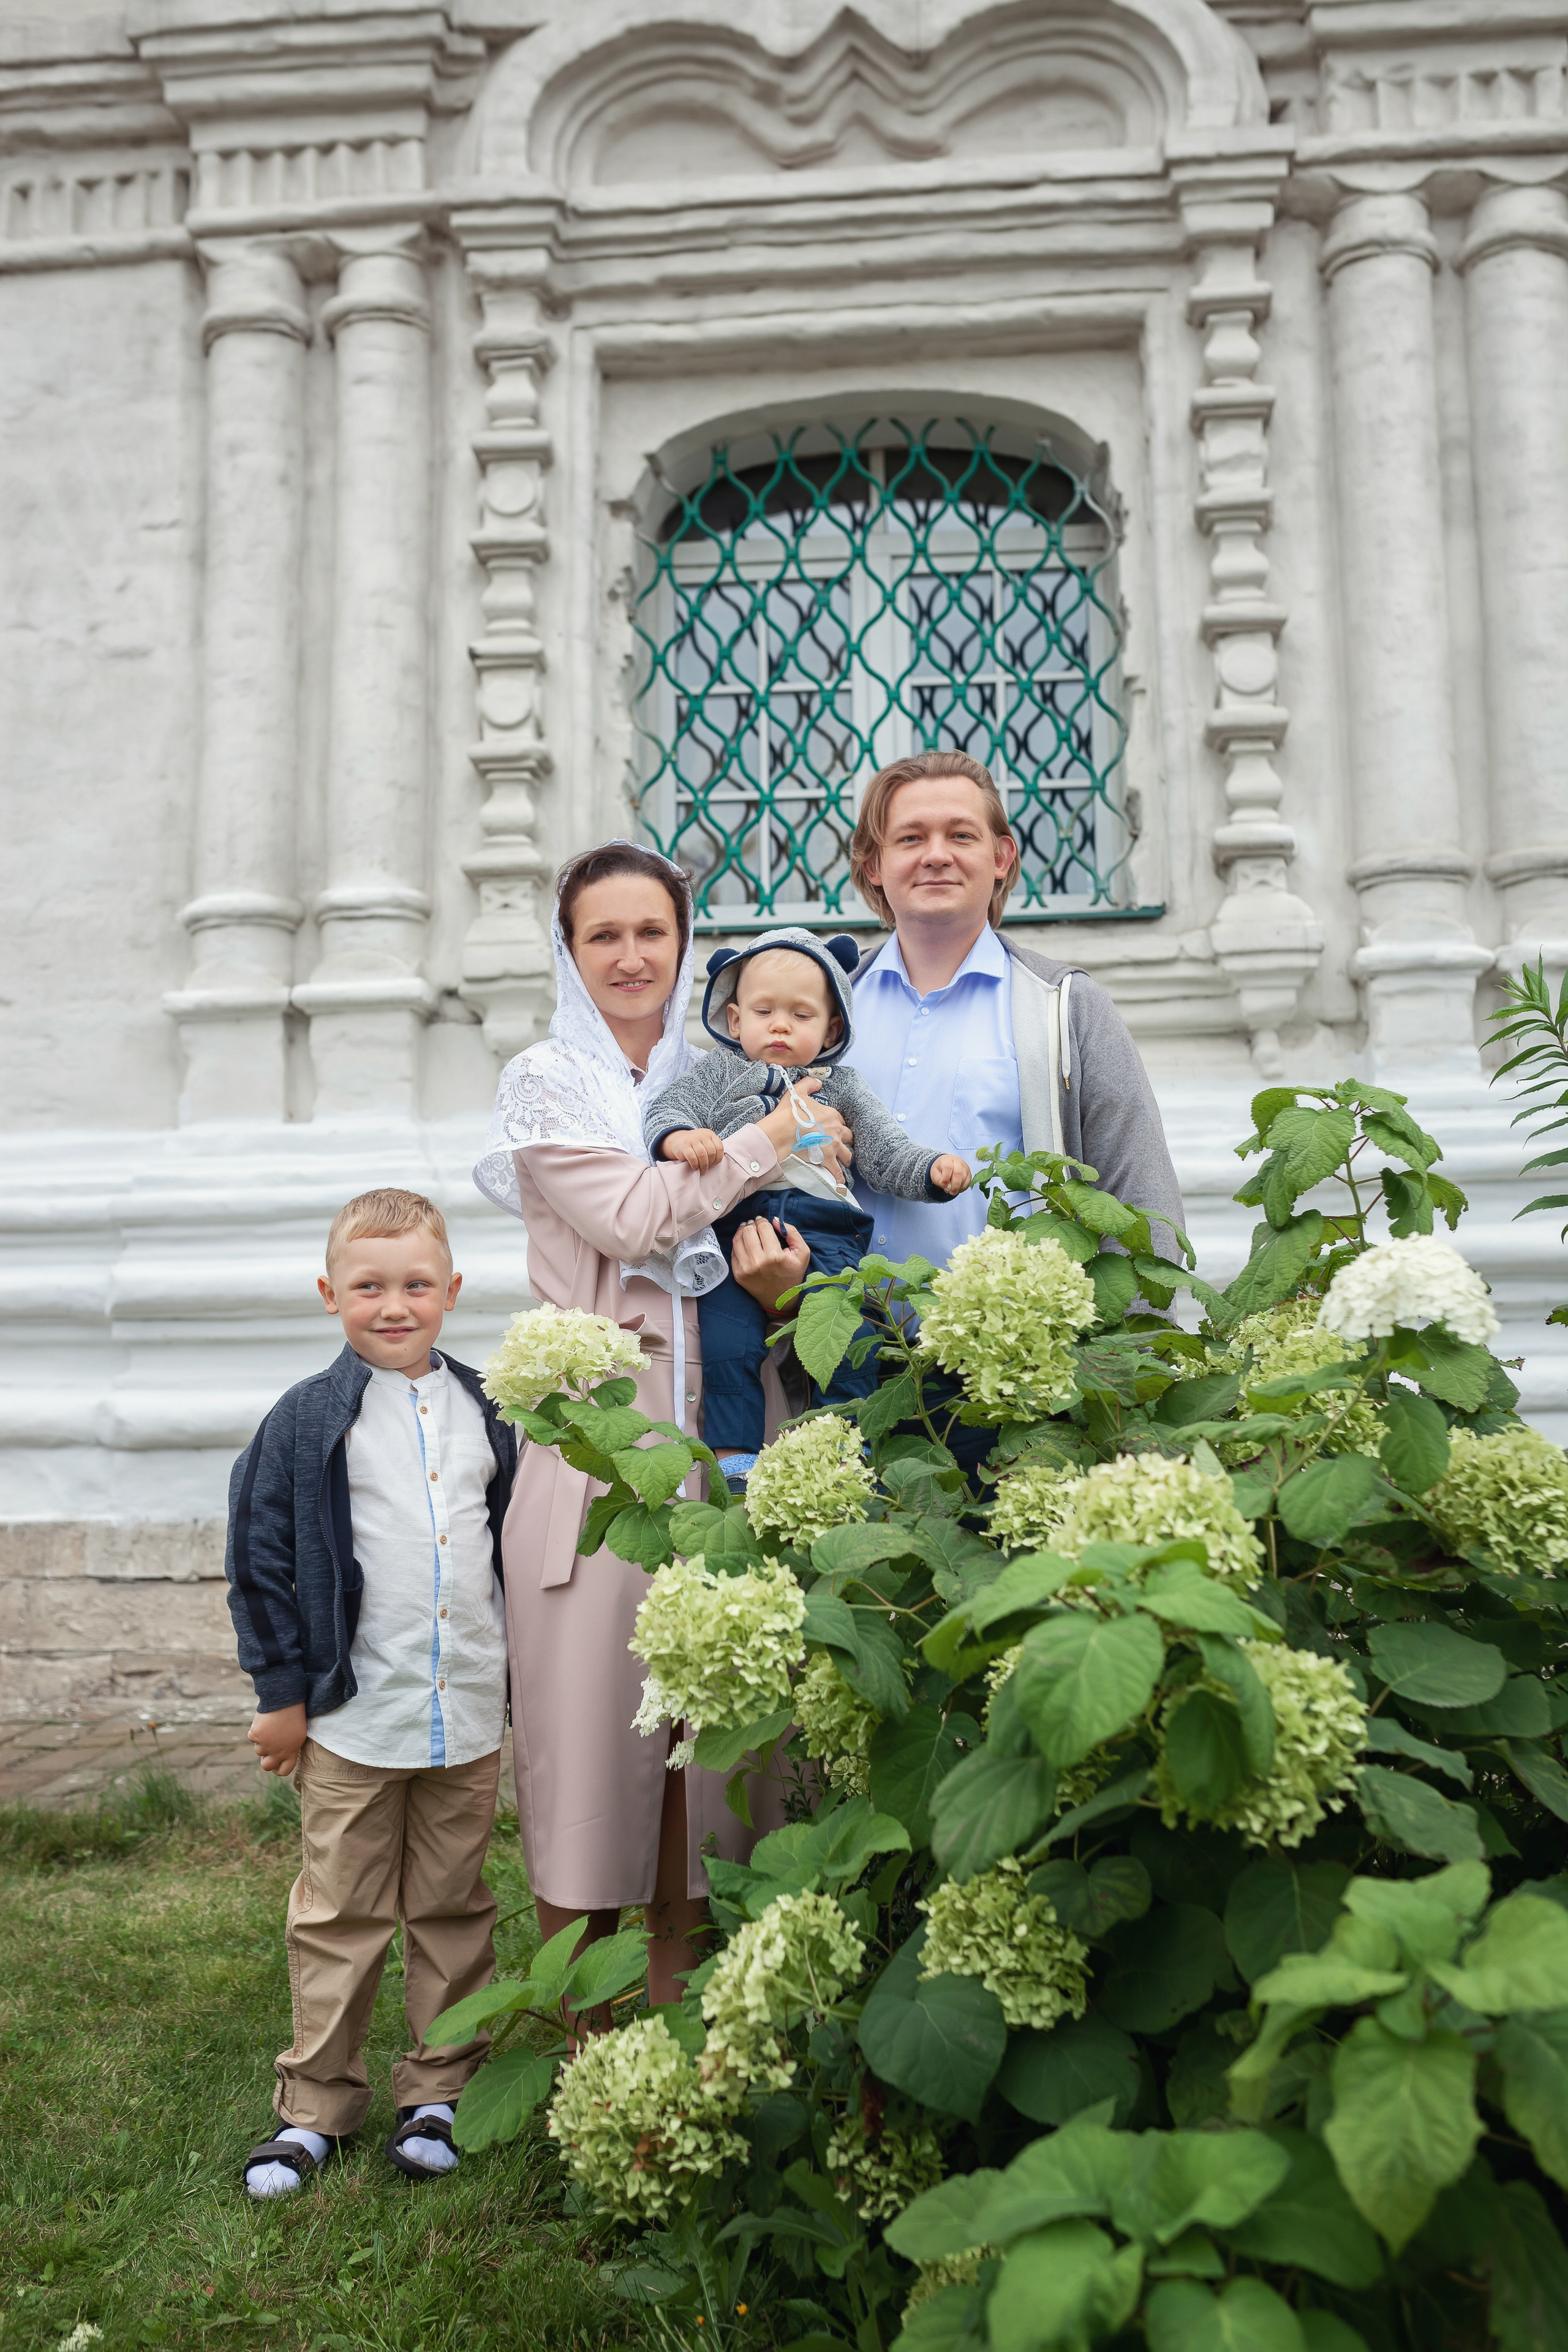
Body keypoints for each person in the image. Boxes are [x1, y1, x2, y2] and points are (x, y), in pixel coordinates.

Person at [472, 846, 850, 2006]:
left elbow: (806, 1217)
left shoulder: (720, 1072)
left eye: (655, 932)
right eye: (605, 936)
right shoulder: (554, 1082)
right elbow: (639, 1218)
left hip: (734, 1440)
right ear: (570, 953)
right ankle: (593, 2042)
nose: (633, 957)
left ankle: (692, 2029)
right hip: (603, 1453)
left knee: (719, 1762)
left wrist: (786, 1271)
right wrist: (766, 1147)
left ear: (687, 948)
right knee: (591, 1754)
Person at [225, 1188, 518, 2198]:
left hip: (465, 1707)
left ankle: (440, 2086)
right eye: (368, 1287)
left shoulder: (488, 1405)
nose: (394, 1305)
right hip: (354, 1714)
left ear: (452, 1291)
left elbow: (506, 1544)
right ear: (328, 1293)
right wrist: (282, 1694)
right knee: (341, 1910)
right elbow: (261, 1558)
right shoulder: (307, 1421)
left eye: (416, 1285)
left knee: (451, 1905)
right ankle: (315, 2106)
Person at [728, 750, 1185, 1353]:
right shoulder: (818, 1019)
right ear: (873, 864)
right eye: (910, 837)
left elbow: (1139, 1198)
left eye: (960, 835)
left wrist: (1135, 1370)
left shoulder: (1063, 1007)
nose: (935, 854)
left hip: (1013, 1376)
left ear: (1001, 858)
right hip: (844, 1370)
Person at [641, 925, 971, 1487]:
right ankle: (733, 1457)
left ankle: (846, 1450)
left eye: (800, 1015)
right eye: (764, 1010)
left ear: (831, 1027)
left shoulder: (841, 1085)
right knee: (728, 1345)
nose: (780, 1025)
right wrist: (675, 1138)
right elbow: (669, 1107)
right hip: (734, 1226)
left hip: (827, 1228)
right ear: (736, 1020)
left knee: (846, 1336)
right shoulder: (718, 1074)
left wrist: (930, 1170)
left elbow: (885, 1152)